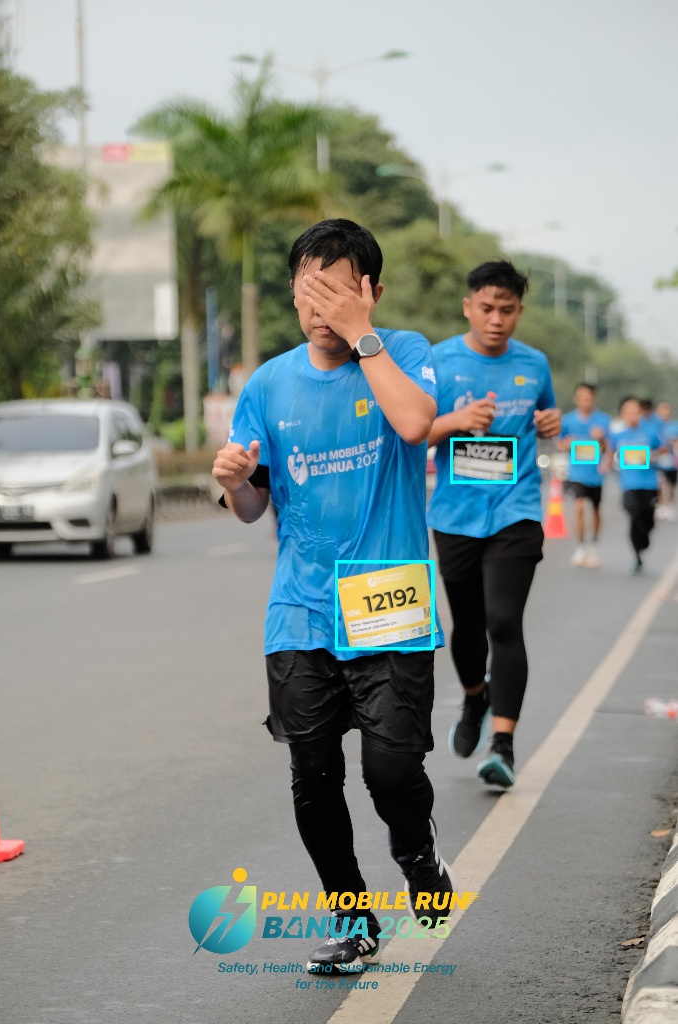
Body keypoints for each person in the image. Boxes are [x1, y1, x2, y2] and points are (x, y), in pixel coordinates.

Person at [212, 219, 451, 973]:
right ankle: (354, 920)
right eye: (309, 291)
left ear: (370, 292)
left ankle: (418, 856)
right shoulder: (268, 384)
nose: (321, 308)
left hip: (389, 602)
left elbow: (415, 423)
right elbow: (253, 505)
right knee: (313, 777)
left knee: (391, 773)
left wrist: (362, 334)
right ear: (292, 293)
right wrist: (233, 484)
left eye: (339, 292)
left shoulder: (403, 352)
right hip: (301, 608)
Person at [426, 260, 561, 789]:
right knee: (467, 626)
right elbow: (413, 430)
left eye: (507, 310)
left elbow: (547, 418)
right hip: (456, 515)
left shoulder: (535, 364)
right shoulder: (438, 362)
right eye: (487, 308)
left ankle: (502, 745)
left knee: (503, 622)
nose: (496, 319)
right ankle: (474, 698)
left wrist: (550, 423)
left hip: (515, 510)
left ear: (519, 311)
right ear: (468, 307)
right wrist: (456, 421)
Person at [603, 397, 665, 573]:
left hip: (649, 483)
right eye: (628, 412)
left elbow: (663, 448)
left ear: (640, 414)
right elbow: (610, 452)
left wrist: (654, 455)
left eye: (635, 412)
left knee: (648, 517)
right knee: (634, 515)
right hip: (629, 484)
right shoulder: (618, 435)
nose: (632, 415)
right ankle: (637, 556)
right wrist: (605, 464)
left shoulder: (650, 432)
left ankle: (645, 537)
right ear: (623, 414)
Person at [556, 383, 611, 567]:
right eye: (583, 397)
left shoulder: (603, 420)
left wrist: (600, 439)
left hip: (595, 473)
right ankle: (580, 547)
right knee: (579, 507)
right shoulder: (567, 420)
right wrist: (566, 444)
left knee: (595, 509)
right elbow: (559, 443)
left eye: (589, 397)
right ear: (576, 399)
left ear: (594, 399)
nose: (586, 400)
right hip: (576, 472)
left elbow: (609, 447)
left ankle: (593, 546)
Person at [655, 401, 678, 521]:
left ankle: (669, 506)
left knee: (671, 485)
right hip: (658, 461)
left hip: (672, 461)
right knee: (661, 484)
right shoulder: (654, 427)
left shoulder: (675, 426)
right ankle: (660, 506)